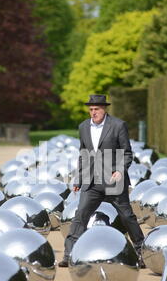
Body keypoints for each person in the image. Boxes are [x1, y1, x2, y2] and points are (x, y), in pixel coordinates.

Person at [59, 94, 145, 268]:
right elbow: (83, 154)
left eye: (96, 109)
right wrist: (78, 179)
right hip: (91, 182)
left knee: (127, 217)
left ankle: (141, 252)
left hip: (114, 181)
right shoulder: (83, 127)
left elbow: (127, 153)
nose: (93, 112)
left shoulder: (118, 125)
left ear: (104, 109)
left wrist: (120, 170)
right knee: (80, 215)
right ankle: (69, 254)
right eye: (91, 109)